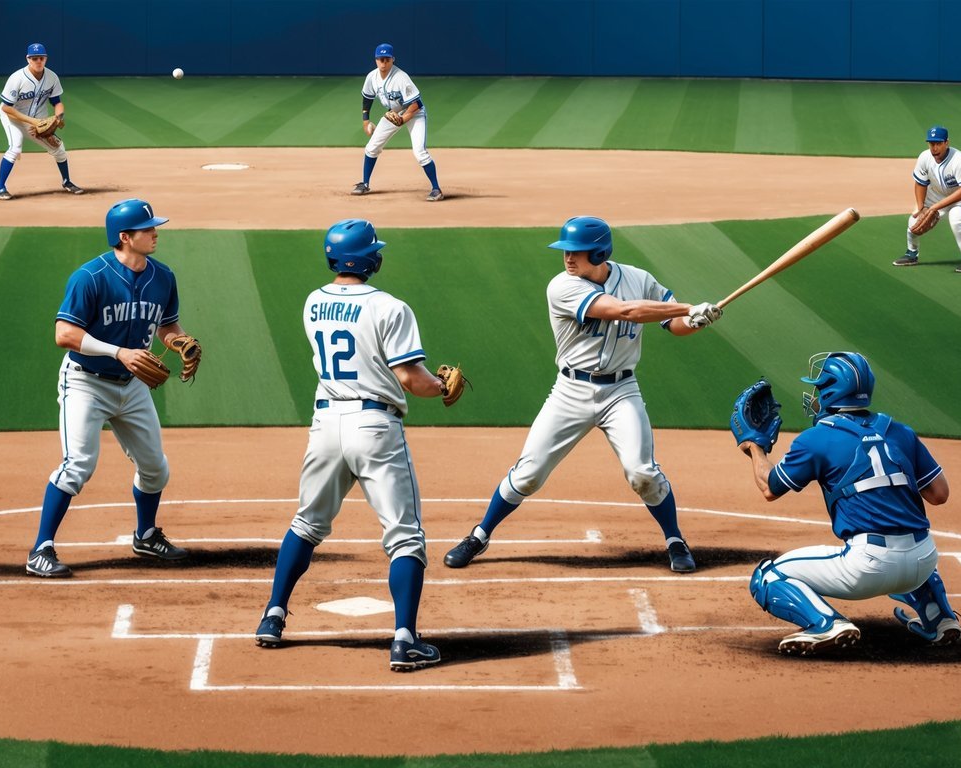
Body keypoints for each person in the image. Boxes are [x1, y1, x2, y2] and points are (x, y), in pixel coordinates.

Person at [442, 216, 721, 574]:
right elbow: (625, 311)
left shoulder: (638, 278)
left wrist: (695, 321)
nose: (568, 259)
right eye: (565, 251)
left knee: (642, 473)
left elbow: (673, 326)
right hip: (570, 391)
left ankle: (675, 540)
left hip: (621, 391)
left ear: (601, 252)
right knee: (529, 473)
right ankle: (479, 535)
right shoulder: (562, 286)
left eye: (577, 252)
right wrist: (688, 307)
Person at [255, 219, 461, 671]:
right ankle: (405, 640)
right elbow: (411, 379)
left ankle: (272, 616)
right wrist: (442, 387)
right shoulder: (391, 307)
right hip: (375, 427)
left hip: (326, 423)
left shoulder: (313, 302)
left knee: (307, 523)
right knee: (405, 536)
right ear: (371, 259)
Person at [735, 352, 961, 656]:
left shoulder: (816, 439)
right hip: (923, 561)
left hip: (866, 566)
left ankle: (826, 624)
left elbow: (770, 487)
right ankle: (940, 618)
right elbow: (939, 494)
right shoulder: (899, 431)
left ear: (830, 392)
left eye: (819, 388)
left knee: (768, 577)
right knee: (910, 550)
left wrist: (754, 446)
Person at [26, 199, 197, 577]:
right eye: (148, 228)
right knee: (77, 466)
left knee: (155, 467)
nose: (155, 233)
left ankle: (146, 535)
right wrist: (119, 352)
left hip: (132, 385)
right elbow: (64, 334)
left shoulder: (163, 277)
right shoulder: (90, 277)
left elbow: (168, 327)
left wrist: (182, 342)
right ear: (124, 237)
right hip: (85, 383)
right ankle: (40, 549)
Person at [351, 43, 443, 202]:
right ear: (376, 60)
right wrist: (366, 120)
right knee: (371, 147)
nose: (383, 63)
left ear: (393, 60)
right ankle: (364, 183)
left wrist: (403, 119)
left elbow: (416, 104)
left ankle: (436, 189)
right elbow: (367, 97)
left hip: (414, 113)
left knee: (420, 152)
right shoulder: (372, 77)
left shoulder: (401, 77)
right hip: (393, 114)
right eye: (380, 59)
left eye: (387, 59)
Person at [0, 42, 84, 200]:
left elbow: (57, 102)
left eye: (41, 58)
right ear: (28, 59)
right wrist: (33, 122)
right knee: (15, 146)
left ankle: (67, 181)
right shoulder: (17, 78)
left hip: (38, 120)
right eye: (34, 58)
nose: (38, 61)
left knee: (59, 149)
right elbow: (7, 108)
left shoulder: (52, 77)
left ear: (46, 59)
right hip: (12, 117)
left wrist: (58, 117)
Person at [893, 125, 961, 273]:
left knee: (956, 218)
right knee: (915, 219)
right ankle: (911, 254)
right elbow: (920, 183)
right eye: (931, 143)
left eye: (938, 143)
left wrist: (935, 207)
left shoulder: (960, 160)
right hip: (938, 193)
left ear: (946, 143)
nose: (934, 147)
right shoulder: (924, 157)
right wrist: (921, 206)